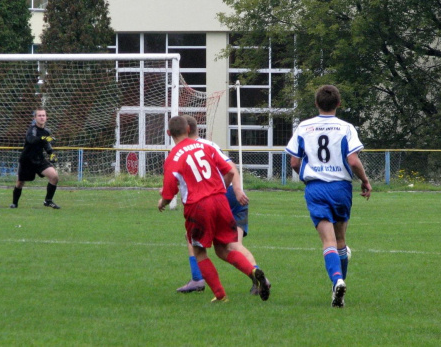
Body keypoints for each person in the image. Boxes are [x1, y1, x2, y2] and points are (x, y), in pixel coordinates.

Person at [158, 115, 270, 303]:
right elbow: (229, 170)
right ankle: (253, 271)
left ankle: (220, 296)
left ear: (169, 133)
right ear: (188, 130)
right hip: (221, 201)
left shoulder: (173, 157)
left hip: (199, 206)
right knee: (223, 249)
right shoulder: (207, 147)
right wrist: (219, 189)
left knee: (199, 251)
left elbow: (169, 194)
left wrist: (162, 203)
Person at [285, 85, 371, 308]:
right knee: (341, 240)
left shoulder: (304, 127)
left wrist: (306, 175)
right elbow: (353, 160)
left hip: (316, 189)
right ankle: (338, 288)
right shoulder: (346, 128)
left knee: (327, 241)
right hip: (341, 188)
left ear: (316, 103)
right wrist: (365, 181)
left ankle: (337, 281)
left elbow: (294, 161)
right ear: (339, 104)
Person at [10, 108, 61, 209]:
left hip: (39, 159)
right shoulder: (32, 129)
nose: (42, 117)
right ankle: (14, 203)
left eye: (43, 115)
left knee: (54, 176)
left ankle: (48, 201)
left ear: (46, 118)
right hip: (27, 160)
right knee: (20, 182)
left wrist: (51, 153)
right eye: (39, 116)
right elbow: (31, 140)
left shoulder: (47, 131)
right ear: (35, 118)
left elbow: (47, 145)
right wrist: (43, 138)